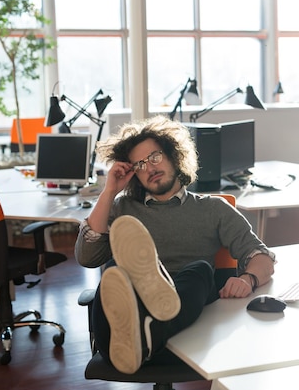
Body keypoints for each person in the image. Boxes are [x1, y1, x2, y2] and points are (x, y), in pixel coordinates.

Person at [75, 115, 275, 374]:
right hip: (120, 332)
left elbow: (261, 257)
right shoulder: (121, 208)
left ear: (174, 155)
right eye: (140, 164)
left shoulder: (213, 209)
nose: (150, 168)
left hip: (187, 320)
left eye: (155, 157)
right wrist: (110, 190)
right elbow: (87, 257)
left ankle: (150, 331)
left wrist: (247, 279)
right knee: (115, 270)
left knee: (200, 271)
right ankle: (143, 330)